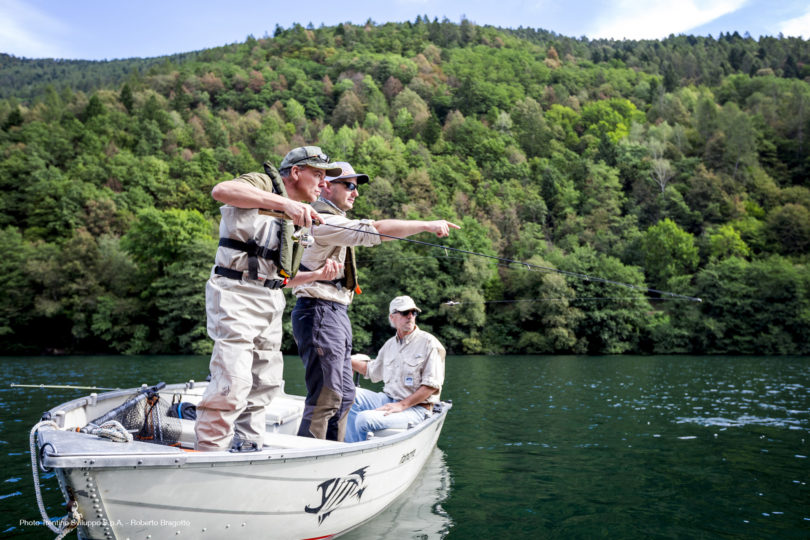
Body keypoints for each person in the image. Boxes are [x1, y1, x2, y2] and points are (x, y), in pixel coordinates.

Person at [292, 162, 460, 441]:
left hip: (334, 312)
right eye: (350, 185)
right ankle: (309, 456)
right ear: (327, 186)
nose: (356, 192)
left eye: (357, 187)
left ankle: (335, 453)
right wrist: (428, 225)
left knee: (344, 395)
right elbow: (377, 229)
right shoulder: (323, 220)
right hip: (319, 310)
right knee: (327, 395)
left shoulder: (333, 219)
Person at [195, 146, 343, 452]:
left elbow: (284, 278)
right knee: (233, 381)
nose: (323, 183)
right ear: (296, 172)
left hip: (271, 301)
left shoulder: (301, 217)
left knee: (265, 384)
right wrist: (285, 204)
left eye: (326, 178)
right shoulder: (262, 182)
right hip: (235, 293)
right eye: (317, 174)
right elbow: (221, 190)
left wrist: (315, 277)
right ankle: (208, 452)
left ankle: (247, 446)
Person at [345, 295, 446, 443]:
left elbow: (430, 386)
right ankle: (350, 447)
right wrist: (346, 361)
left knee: (364, 418)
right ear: (392, 317)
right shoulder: (389, 345)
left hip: (417, 409)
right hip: (389, 400)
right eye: (405, 313)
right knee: (348, 393)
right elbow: (371, 371)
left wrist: (401, 405)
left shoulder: (429, 343)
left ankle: (356, 455)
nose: (410, 316)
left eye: (414, 312)